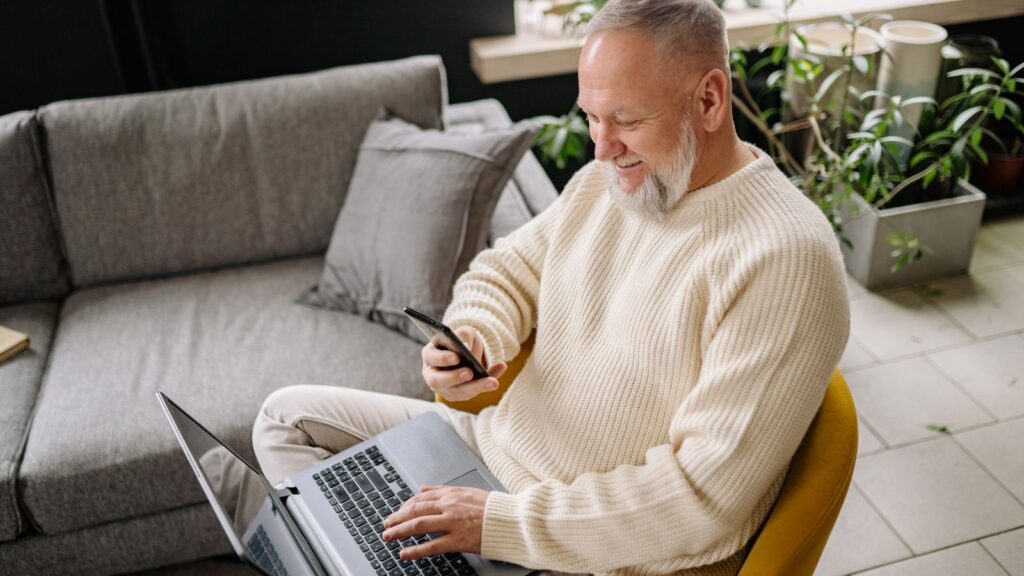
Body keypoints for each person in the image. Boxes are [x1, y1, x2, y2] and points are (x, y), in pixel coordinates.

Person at [252, 0, 850, 574]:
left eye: (626, 120)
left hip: (606, 554)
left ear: (709, 99)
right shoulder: (609, 182)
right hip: (492, 457)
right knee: (287, 418)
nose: (602, 146)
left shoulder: (786, 259)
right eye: (592, 116)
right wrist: (476, 332)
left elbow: (700, 501)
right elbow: (507, 268)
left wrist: (499, 523)